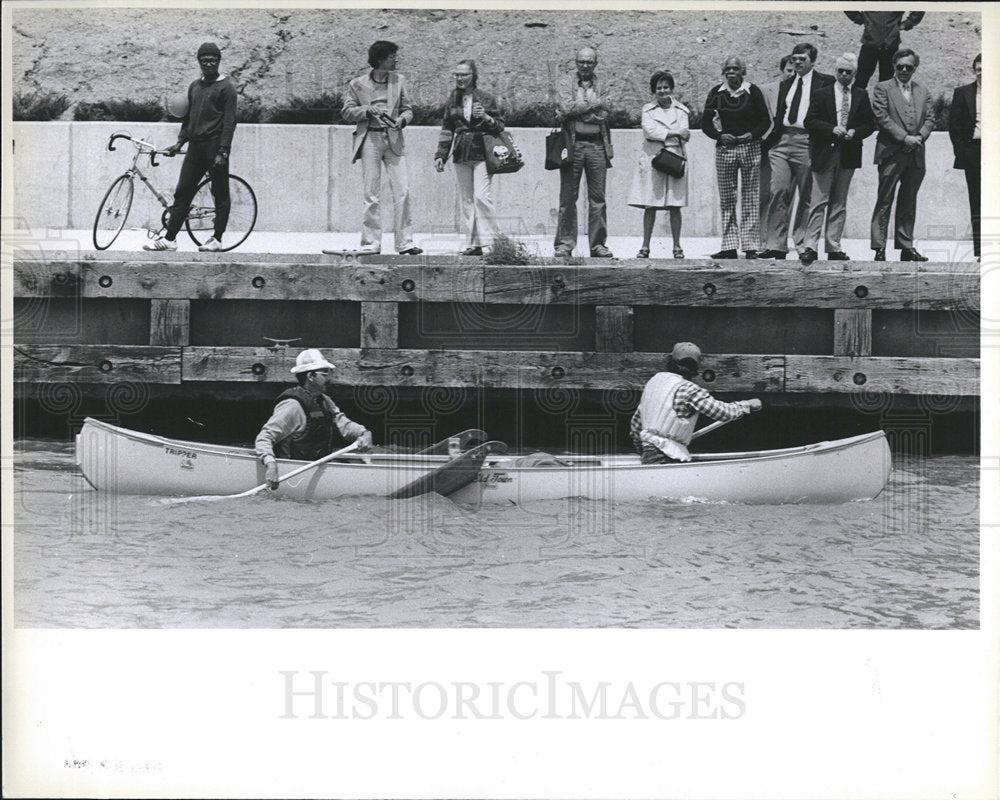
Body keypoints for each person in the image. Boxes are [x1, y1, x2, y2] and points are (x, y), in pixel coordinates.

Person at [144, 42, 237, 252]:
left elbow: (230, 122)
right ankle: (169, 240)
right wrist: (179, 143)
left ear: (219, 61)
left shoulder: (227, 89)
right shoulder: (195, 86)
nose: (209, 64)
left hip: (215, 148)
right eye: (204, 60)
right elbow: (189, 120)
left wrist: (223, 151)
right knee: (183, 192)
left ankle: (217, 239)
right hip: (195, 148)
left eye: (213, 60)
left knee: (220, 194)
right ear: (199, 62)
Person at [342, 41, 423, 255]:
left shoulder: (400, 81)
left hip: (394, 139)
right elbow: (347, 112)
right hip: (370, 139)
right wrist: (366, 111)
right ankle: (371, 243)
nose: (396, 60)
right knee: (371, 193)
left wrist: (402, 121)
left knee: (403, 190)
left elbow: (408, 109)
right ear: (380, 59)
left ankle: (405, 242)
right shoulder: (357, 84)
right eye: (391, 57)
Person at [255, 349, 373, 490]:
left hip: (316, 465)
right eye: (325, 373)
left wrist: (363, 432)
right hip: (294, 469)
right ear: (311, 376)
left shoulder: (324, 401)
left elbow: (343, 424)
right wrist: (271, 465)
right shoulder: (292, 406)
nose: (330, 378)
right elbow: (264, 438)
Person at [760, 43, 835, 260]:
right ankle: (776, 245)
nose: (798, 62)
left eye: (802, 58)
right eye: (795, 59)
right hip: (782, 142)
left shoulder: (825, 82)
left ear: (813, 60)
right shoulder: (787, 84)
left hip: (808, 141)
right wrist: (769, 142)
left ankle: (803, 245)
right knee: (778, 191)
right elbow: (779, 115)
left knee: (807, 195)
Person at [629, 342, 762, 464]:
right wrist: (747, 405)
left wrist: (642, 450)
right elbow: (722, 412)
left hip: (649, 453)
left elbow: (636, 424)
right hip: (667, 456)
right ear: (695, 367)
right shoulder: (689, 389)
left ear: (670, 360)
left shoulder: (653, 383)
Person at [800, 52, 876, 264]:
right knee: (818, 201)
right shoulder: (821, 94)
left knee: (839, 202)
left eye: (848, 72)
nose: (843, 75)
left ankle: (834, 246)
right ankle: (810, 246)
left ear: (855, 74)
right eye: (840, 71)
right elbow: (810, 121)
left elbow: (869, 124)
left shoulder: (860, 95)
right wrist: (831, 129)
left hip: (848, 154)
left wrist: (855, 132)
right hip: (825, 152)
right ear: (835, 72)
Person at [700, 56, 771, 260]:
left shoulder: (753, 91)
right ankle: (729, 247)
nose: (731, 72)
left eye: (736, 69)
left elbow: (765, 121)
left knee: (750, 197)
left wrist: (752, 135)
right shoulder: (717, 93)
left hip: (750, 148)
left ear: (743, 72)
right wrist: (720, 135)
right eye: (728, 69)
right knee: (727, 197)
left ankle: (750, 247)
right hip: (726, 150)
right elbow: (706, 123)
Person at [870, 48, 934, 262]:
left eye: (909, 67)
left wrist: (919, 138)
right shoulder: (882, 88)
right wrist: (904, 138)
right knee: (885, 200)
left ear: (915, 68)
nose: (904, 70)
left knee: (908, 201)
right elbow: (882, 116)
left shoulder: (922, 90)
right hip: (892, 153)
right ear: (894, 66)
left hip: (915, 154)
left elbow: (930, 118)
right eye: (900, 66)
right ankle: (879, 247)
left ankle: (906, 247)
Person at [434, 60, 504, 256]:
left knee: (482, 196)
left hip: (482, 151)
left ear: (473, 76)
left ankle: (491, 243)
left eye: (464, 74)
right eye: (456, 74)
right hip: (461, 151)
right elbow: (447, 128)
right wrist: (441, 155)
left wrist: (487, 118)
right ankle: (473, 244)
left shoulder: (487, 99)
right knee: (466, 200)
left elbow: (500, 126)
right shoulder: (452, 99)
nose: (459, 78)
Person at [554, 46, 614, 258]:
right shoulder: (565, 83)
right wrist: (594, 104)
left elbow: (605, 113)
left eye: (589, 62)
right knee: (568, 198)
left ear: (596, 63)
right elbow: (565, 108)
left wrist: (579, 108)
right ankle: (564, 244)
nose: (585, 65)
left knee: (598, 199)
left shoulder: (604, 84)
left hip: (597, 145)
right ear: (576, 62)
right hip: (573, 145)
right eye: (581, 61)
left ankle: (598, 245)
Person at [627, 70, 690, 259]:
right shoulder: (648, 109)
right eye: (659, 88)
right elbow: (650, 131)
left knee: (675, 205)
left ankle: (677, 246)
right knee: (650, 204)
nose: (662, 91)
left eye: (666, 87)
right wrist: (674, 132)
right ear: (654, 91)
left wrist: (674, 133)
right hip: (654, 158)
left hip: (675, 157)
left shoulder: (681, 110)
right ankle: (645, 246)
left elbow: (685, 133)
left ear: (671, 88)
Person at [758, 54, 796, 249]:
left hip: (791, 148)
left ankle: (778, 241)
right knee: (765, 194)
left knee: (785, 196)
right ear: (782, 70)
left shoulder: (803, 91)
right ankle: (762, 241)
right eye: (789, 70)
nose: (792, 74)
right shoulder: (766, 90)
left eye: (795, 71)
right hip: (767, 148)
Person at [948, 53, 982, 261]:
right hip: (974, 152)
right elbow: (955, 125)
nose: (982, 73)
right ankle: (981, 250)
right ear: (974, 70)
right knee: (977, 201)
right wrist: (962, 150)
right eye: (979, 69)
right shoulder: (963, 93)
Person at [844, 12, 925, 89]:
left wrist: (908, 23)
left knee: (887, 83)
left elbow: (919, 7)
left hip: (890, 44)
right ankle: (857, 102)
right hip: (870, 42)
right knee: (861, 79)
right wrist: (857, 17)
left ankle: (882, 102)